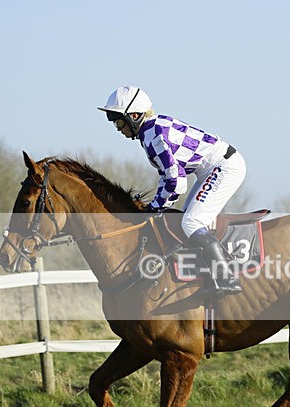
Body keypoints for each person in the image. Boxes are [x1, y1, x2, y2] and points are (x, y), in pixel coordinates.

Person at [98, 85, 246, 295]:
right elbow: (167, 176)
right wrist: (156, 204)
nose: (119, 129)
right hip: (212, 167)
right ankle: (207, 277)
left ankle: (227, 279)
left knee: (192, 222)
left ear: (134, 115)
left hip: (224, 167)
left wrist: (155, 207)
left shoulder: (153, 135)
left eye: (119, 122)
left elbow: (177, 183)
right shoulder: (150, 129)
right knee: (186, 220)